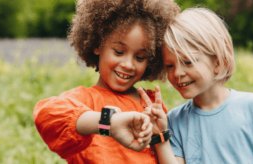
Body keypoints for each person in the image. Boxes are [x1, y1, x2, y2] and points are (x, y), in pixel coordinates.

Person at [33, 0, 180, 163]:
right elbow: (46, 115)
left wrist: (159, 137)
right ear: (97, 45)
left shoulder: (151, 105)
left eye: (140, 57)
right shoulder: (84, 100)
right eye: (118, 52)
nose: (128, 65)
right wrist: (109, 123)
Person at [139, 7, 253, 164]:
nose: (177, 73)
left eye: (188, 62)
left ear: (218, 62)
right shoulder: (174, 121)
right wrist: (160, 136)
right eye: (170, 66)